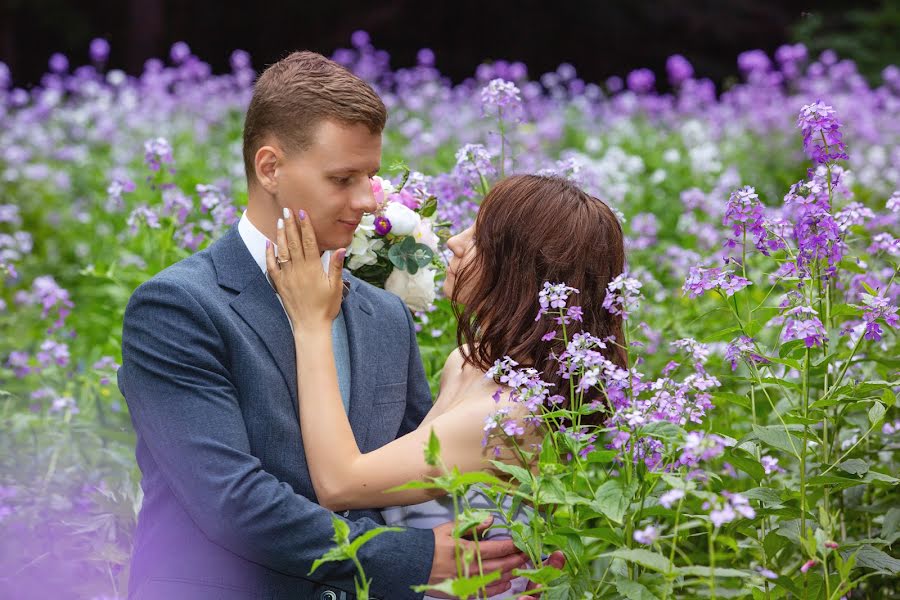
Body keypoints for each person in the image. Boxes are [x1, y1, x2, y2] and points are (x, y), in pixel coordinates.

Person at [118, 50, 525, 600]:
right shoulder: (178, 307)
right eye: (342, 178)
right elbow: (230, 501)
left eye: (372, 176)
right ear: (270, 168)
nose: (365, 200)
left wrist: (504, 561)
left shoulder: (384, 315)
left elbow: (414, 478)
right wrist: (414, 558)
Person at [266, 174, 626, 597]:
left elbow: (340, 482)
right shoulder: (467, 362)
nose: (455, 241)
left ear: (521, 272)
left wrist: (312, 323)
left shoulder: (509, 412)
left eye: (482, 239)